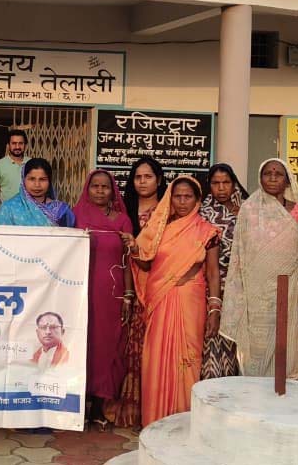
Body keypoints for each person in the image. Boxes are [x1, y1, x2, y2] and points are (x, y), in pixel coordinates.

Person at [128, 176, 219, 427]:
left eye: (187, 196)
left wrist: (215, 308)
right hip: (161, 299)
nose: (182, 201)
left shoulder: (207, 231)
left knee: (189, 359)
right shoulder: (158, 229)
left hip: (191, 300)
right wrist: (134, 249)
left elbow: (213, 273)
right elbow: (146, 265)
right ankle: (156, 421)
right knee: (156, 359)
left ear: (197, 199)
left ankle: (185, 421)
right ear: (170, 198)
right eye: (177, 196)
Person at [222, 158, 298, 378]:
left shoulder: (296, 210)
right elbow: (240, 252)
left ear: (287, 180)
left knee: (287, 344)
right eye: (267, 174)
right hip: (256, 295)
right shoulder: (249, 209)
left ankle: (283, 393)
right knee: (257, 350)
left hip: (291, 288)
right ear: (260, 178)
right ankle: (256, 394)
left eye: (278, 174)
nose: (272, 178)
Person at [107, 155, 168, 428]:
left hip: (161, 281)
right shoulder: (124, 209)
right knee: (131, 344)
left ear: (159, 180)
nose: (142, 182)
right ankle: (132, 407)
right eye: (138, 177)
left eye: (148, 177)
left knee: (156, 346)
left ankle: (157, 405)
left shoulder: (169, 210)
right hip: (128, 282)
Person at [73, 169, 133, 430]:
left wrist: (128, 295)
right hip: (80, 291)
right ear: (87, 189)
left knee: (107, 346)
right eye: (95, 186)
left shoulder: (123, 220)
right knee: (82, 345)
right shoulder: (76, 217)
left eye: (105, 187)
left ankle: (98, 406)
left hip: (111, 293)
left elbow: (128, 260)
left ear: (113, 191)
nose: (99, 190)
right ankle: (78, 405)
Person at [198, 163, 247, 379]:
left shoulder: (249, 209)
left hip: (243, 288)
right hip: (211, 285)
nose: (221, 188)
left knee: (239, 342)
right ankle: (213, 385)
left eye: (226, 182)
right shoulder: (201, 212)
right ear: (209, 185)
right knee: (212, 337)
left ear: (234, 183)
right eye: (215, 183)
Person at [0, 158, 75, 227]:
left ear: (49, 181)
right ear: (23, 180)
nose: (37, 185)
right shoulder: (9, 208)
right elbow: (1, 238)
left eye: (42, 179)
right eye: (32, 179)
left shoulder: (62, 211)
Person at [0, 129, 31, 202]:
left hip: (29, 208)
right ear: (8, 145)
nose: (17, 147)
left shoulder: (31, 163)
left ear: (25, 145)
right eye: (14, 143)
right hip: (7, 208)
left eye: (20, 143)